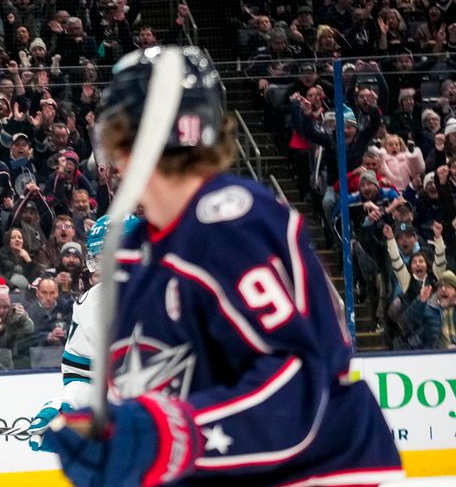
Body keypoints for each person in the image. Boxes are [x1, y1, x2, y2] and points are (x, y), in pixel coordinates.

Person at [40, 46, 403, 486]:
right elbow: (155, 395)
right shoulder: (135, 253)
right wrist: (105, 434)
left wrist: (164, 438)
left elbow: (299, 387)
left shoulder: (229, 222)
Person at [29, 214, 140, 450]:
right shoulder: (93, 304)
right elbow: (85, 378)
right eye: (99, 262)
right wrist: (65, 407)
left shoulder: (188, 290)